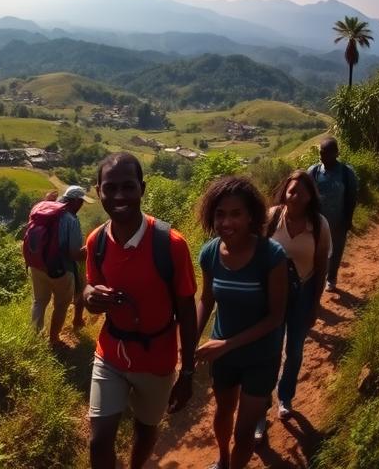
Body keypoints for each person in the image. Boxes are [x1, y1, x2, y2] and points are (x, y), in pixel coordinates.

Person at [83, 153, 198, 469]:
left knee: (145, 429)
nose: (119, 196)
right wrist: (90, 295)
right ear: (98, 191)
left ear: (142, 188)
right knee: (99, 441)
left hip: (157, 360)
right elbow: (91, 287)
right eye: (110, 188)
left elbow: (187, 311)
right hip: (110, 353)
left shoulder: (170, 244)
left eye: (128, 187)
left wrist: (187, 372)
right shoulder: (96, 242)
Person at [196, 176, 287, 469]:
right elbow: (206, 300)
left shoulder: (271, 256)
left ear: (251, 216)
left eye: (236, 214)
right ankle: (223, 459)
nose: (226, 222)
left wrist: (228, 344)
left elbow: (276, 317)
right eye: (220, 214)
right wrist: (190, 345)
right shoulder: (210, 253)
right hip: (223, 354)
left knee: (245, 429)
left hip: (261, 355)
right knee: (223, 412)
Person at [261, 171, 331, 433]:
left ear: (311, 195)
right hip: (273, 296)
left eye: (303, 191)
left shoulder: (319, 224)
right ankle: (261, 408)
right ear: (285, 192)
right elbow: (259, 255)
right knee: (270, 351)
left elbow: (322, 263)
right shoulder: (271, 217)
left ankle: (285, 397)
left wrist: (316, 303)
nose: (296, 195)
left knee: (295, 350)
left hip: (304, 291)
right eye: (292, 190)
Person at [27, 184, 87, 347]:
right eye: (81, 202)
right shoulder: (70, 219)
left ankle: (35, 338)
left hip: (37, 264)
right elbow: (74, 254)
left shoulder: (46, 211)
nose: (81, 205)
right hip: (60, 268)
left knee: (39, 301)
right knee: (61, 304)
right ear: (75, 201)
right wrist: (91, 249)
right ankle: (54, 339)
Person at [307, 138, 358, 291]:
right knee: (314, 251)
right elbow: (307, 196)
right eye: (321, 152)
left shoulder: (346, 173)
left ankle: (331, 277)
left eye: (327, 153)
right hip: (317, 222)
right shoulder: (314, 172)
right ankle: (315, 279)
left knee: (336, 250)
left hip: (338, 221)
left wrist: (348, 219)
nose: (323, 156)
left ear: (336, 153)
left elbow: (351, 198)